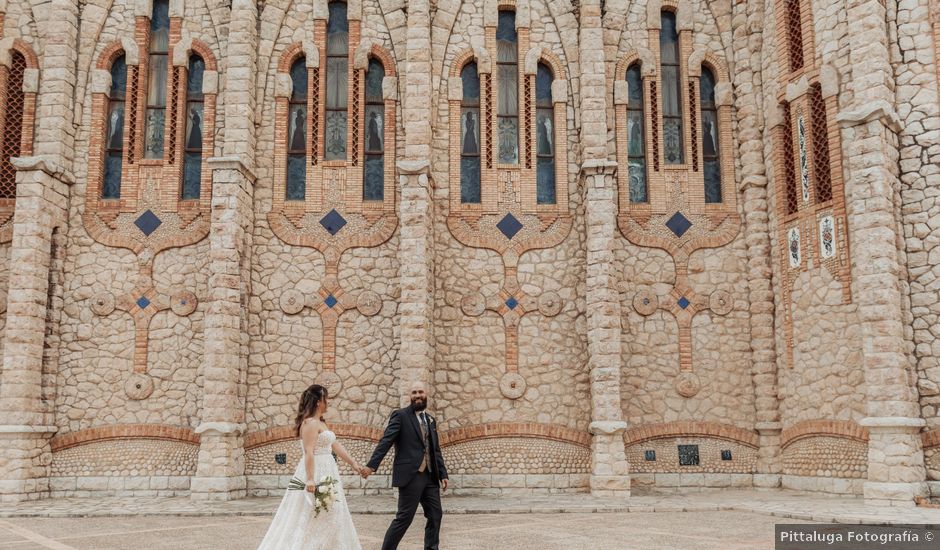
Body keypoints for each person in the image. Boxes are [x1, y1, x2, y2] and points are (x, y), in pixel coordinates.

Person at [257, 384, 365, 549]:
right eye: (325, 399)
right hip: (316, 472)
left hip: (329, 471)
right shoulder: (309, 423)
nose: (327, 402)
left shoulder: (321, 422)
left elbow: (335, 445)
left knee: (332, 513)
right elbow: (308, 452)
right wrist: (309, 479)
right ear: (318, 402)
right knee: (312, 514)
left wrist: (354, 464)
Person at [362, 381, 449, 550]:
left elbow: (435, 450)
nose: (417, 395)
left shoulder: (430, 420)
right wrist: (372, 465)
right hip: (410, 476)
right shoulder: (400, 416)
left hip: (431, 477)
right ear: (410, 396)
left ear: (426, 394)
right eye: (414, 392)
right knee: (404, 518)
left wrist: (443, 473)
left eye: (420, 392)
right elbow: (386, 440)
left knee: (435, 515)